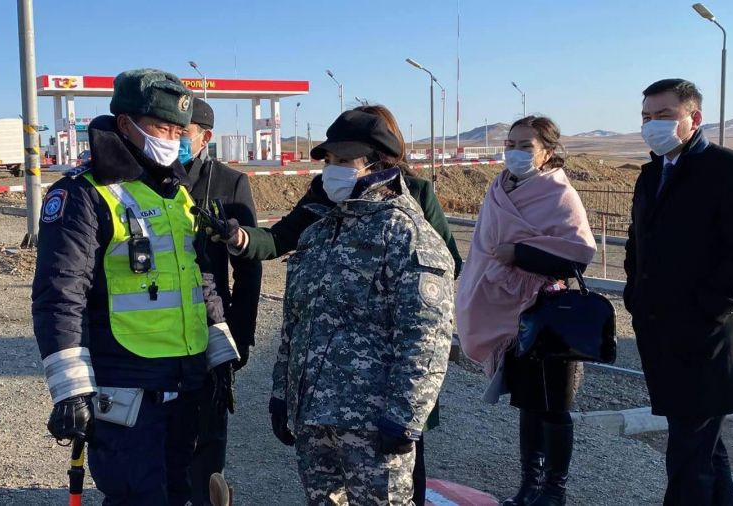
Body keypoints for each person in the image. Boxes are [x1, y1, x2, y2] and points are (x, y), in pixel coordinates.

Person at [206, 104, 460, 505]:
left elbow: (426, 336)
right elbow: (296, 320)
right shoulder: (320, 228)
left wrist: (406, 417)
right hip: (316, 413)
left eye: (344, 161)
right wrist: (283, 393)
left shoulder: (405, 231)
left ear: (377, 162)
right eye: (329, 160)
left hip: (374, 418)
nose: (331, 170)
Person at [32, 68, 238, 506]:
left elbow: (196, 276)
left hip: (184, 378)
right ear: (125, 124)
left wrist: (219, 353)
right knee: (137, 497)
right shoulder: (84, 194)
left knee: (179, 490)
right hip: (127, 382)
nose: (173, 138)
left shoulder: (173, 193)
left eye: (180, 130)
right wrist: (70, 388)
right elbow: (60, 292)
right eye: (162, 127)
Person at [455, 116, 597, 506]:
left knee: (553, 406)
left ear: (547, 152)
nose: (514, 152)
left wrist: (519, 254)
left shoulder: (559, 195)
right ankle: (528, 485)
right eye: (511, 143)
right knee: (527, 404)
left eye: (525, 146)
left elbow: (578, 256)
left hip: (547, 313)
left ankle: (554, 490)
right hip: (507, 314)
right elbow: (484, 246)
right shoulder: (497, 189)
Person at [625, 78, 733, 506]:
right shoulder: (652, 173)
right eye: (646, 117)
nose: (652, 125)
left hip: (708, 338)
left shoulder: (727, 171)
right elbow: (639, 242)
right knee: (703, 445)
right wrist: (633, 296)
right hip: (662, 333)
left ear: (694, 118)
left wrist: (708, 309)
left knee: (688, 454)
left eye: (664, 116)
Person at [180, 98, 263, 506]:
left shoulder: (230, 184)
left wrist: (242, 337)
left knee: (207, 440)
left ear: (204, 137)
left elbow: (249, 269)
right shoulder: (144, 180)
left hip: (211, 331)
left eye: (183, 132)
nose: (173, 138)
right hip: (153, 335)